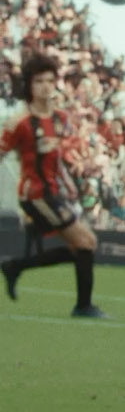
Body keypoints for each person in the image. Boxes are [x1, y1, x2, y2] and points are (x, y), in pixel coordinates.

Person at [0, 54, 106, 318]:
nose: (46, 86)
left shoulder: (60, 118)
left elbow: (57, 158)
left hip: (55, 193)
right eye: (39, 81)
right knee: (86, 241)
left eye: (50, 80)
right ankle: (83, 306)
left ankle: (15, 266)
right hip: (35, 195)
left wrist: (69, 184)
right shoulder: (19, 122)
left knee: (82, 248)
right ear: (29, 85)